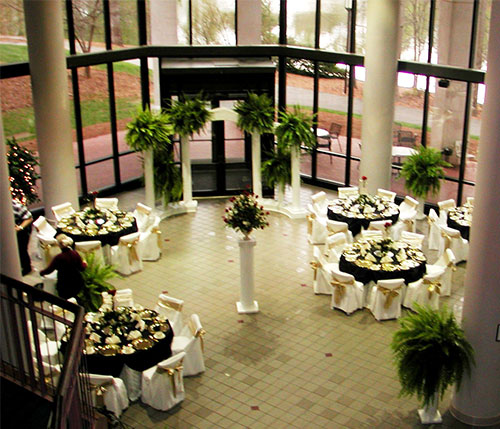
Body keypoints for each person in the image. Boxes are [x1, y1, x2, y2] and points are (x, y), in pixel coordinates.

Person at [40, 234, 87, 299]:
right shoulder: (75, 253)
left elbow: (49, 270)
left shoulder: (59, 257)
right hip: (77, 282)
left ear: (59, 245)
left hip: (64, 284)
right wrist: (84, 263)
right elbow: (81, 268)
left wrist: (41, 273)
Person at [12, 199, 33, 276]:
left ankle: (26, 268)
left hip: (21, 232)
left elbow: (29, 218)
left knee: (21, 250)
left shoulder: (15, 205)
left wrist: (19, 228)